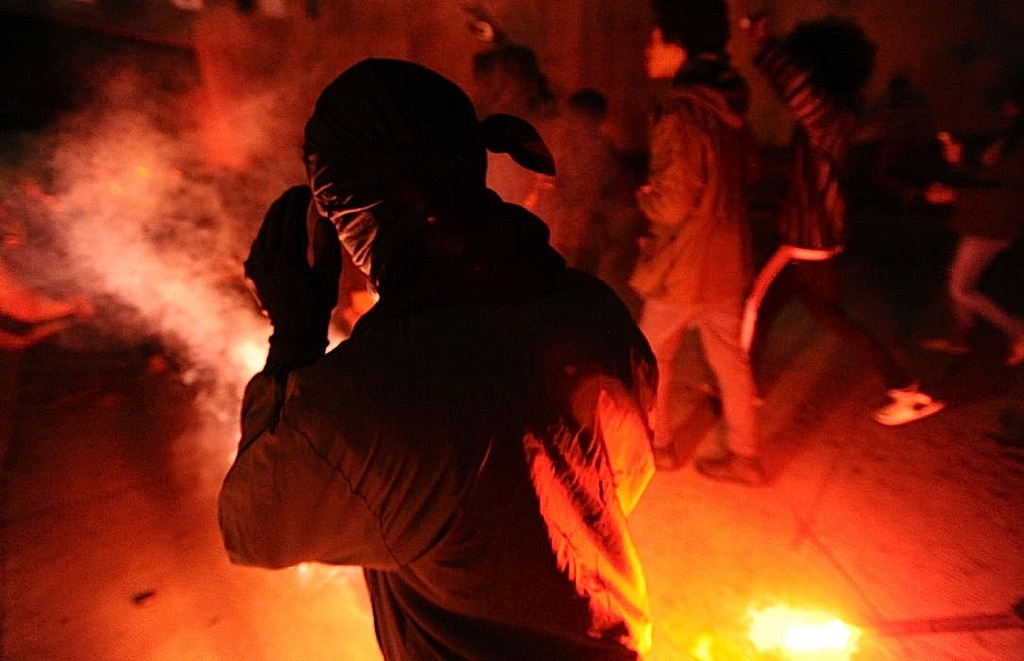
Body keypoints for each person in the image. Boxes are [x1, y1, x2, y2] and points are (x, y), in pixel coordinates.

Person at [218, 59, 657, 659]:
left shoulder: (372, 397)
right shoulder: (595, 309)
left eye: (335, 213)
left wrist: (294, 339)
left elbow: (252, 529)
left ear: (354, 211)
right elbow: (619, 480)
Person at [739, 14, 945, 426]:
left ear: (819, 68)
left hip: (805, 238)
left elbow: (795, 89)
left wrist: (763, 44)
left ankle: (741, 391)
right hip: (821, 237)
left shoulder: (826, 115)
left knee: (753, 306)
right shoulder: (842, 111)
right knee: (827, 314)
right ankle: (906, 390)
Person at [628, 0, 764, 485]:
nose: (647, 50)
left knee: (651, 356)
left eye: (654, 39)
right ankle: (746, 457)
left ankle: (659, 447)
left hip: (684, 265)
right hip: (728, 258)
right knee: (729, 360)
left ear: (679, 45)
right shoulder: (730, 107)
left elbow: (672, 205)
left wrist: (646, 197)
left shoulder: (681, 111)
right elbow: (751, 170)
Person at [920, 75, 1024, 365]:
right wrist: (960, 163)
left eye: (1008, 100)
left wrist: (953, 195)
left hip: (995, 224)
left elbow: (1009, 196)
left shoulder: (1019, 143)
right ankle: (959, 336)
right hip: (986, 221)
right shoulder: (1012, 136)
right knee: (958, 275)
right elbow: (991, 179)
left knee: (961, 288)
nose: (1003, 106)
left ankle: (1018, 331)